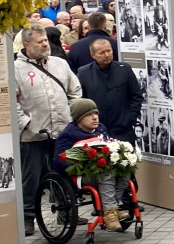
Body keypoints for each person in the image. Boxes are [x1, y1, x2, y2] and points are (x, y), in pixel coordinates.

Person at [15, 28, 82, 235]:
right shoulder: (16, 69)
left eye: (45, 40)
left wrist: (72, 115)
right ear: (27, 45)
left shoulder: (60, 64)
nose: (45, 44)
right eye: (39, 42)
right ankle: (28, 217)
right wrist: (27, 124)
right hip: (33, 135)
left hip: (63, 132)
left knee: (64, 172)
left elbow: (75, 90)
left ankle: (66, 212)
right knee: (32, 179)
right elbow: (12, 103)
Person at [54, 98, 133, 231]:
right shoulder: (68, 134)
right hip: (83, 175)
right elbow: (58, 160)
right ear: (79, 118)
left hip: (103, 171)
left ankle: (111, 209)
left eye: (96, 113)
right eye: (89, 115)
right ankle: (110, 214)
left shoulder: (101, 128)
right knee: (106, 174)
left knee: (124, 171)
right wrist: (82, 163)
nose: (95, 117)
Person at [76, 38, 143, 145]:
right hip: (96, 132)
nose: (107, 55)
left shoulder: (124, 70)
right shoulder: (84, 73)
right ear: (92, 55)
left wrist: (129, 118)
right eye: (102, 52)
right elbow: (81, 101)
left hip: (123, 131)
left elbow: (136, 96)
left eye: (109, 51)